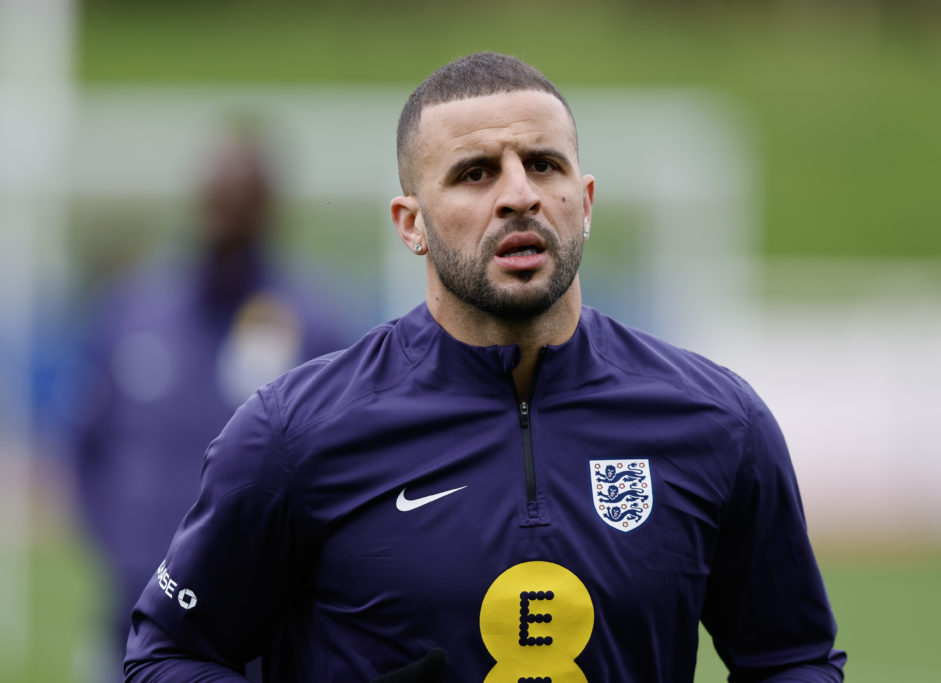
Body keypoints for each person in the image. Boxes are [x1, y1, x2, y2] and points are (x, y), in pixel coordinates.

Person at [123, 53, 846, 682]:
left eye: (543, 164)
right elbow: (166, 653)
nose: (519, 194)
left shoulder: (719, 422)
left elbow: (791, 657)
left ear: (584, 203)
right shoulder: (292, 434)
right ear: (412, 224)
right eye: (474, 173)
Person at [71, 131, 353, 679]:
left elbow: (342, 464)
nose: (229, 210)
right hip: (132, 605)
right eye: (219, 193)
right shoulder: (132, 310)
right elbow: (86, 444)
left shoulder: (316, 324)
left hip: (255, 620)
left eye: (245, 196)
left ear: (270, 207)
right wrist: (120, 545)